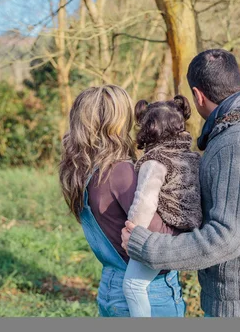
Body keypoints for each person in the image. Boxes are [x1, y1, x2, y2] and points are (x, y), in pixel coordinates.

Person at [122, 50, 240, 317]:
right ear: (239, 79)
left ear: (198, 95)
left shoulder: (235, 144)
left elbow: (224, 239)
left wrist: (147, 247)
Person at [59, 85, 185, 317]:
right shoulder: (119, 171)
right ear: (117, 122)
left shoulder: (84, 172)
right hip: (147, 292)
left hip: (112, 283)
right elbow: (160, 237)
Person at [122, 95, 202, 317]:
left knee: (133, 286)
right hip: (190, 234)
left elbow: (145, 201)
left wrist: (132, 231)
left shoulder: (155, 162)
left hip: (165, 235)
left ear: (148, 129)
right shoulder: (192, 157)